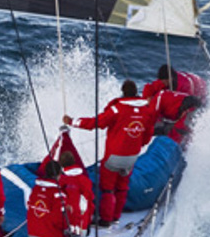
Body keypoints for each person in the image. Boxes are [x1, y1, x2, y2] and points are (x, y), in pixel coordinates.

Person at [63, 80, 156, 225]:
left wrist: (72, 122)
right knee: (122, 187)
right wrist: (139, 143)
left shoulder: (117, 109)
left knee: (108, 189)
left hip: (113, 157)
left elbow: (96, 123)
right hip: (132, 157)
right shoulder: (147, 110)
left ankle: (106, 219)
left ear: (123, 92)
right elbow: (147, 134)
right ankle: (116, 217)